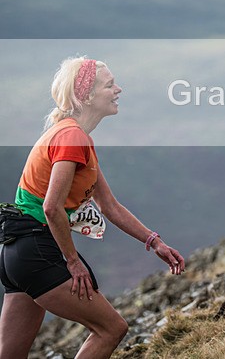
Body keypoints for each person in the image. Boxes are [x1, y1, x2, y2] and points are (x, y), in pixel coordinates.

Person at [0, 57, 185, 358]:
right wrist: (73, 261)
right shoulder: (72, 137)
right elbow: (51, 208)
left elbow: (109, 206)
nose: (118, 90)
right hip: (37, 249)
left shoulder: (73, 136)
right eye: (110, 85)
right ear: (85, 95)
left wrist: (155, 242)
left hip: (15, 253)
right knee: (111, 329)